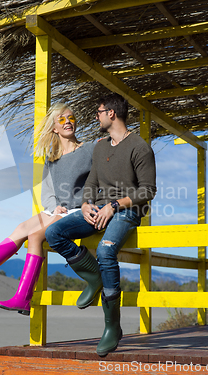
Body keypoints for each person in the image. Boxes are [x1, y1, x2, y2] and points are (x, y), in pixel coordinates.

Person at [0, 102, 95, 316]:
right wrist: (54, 207)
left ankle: (23, 297)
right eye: (62, 119)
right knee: (22, 226)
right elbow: (47, 193)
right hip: (58, 210)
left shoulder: (89, 149)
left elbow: (99, 180)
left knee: (36, 236)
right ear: (54, 128)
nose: (68, 122)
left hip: (79, 211)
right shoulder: (52, 160)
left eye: (71, 118)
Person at [45, 93, 157, 356]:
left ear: (111, 114)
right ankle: (93, 277)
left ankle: (111, 327)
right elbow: (92, 183)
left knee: (106, 250)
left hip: (125, 211)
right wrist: (85, 204)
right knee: (54, 232)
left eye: (98, 112)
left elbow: (148, 190)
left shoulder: (140, 147)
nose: (95, 116)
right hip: (96, 209)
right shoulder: (100, 147)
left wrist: (115, 205)